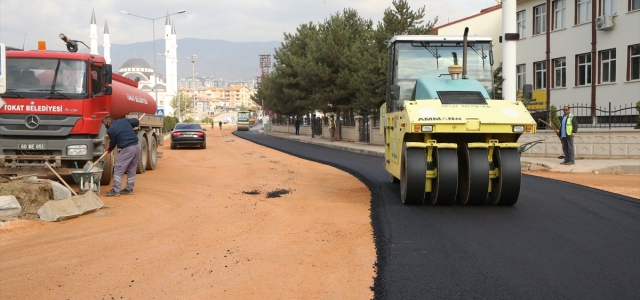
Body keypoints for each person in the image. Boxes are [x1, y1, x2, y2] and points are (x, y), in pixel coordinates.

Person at [102, 115, 141, 197]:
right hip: (136, 147)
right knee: (131, 169)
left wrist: (109, 149)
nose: (105, 125)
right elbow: (136, 121)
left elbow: (113, 142)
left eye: (104, 124)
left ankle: (116, 190)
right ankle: (129, 189)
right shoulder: (124, 121)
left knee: (118, 169)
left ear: (108, 122)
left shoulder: (111, 130)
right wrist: (131, 125)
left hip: (127, 149)